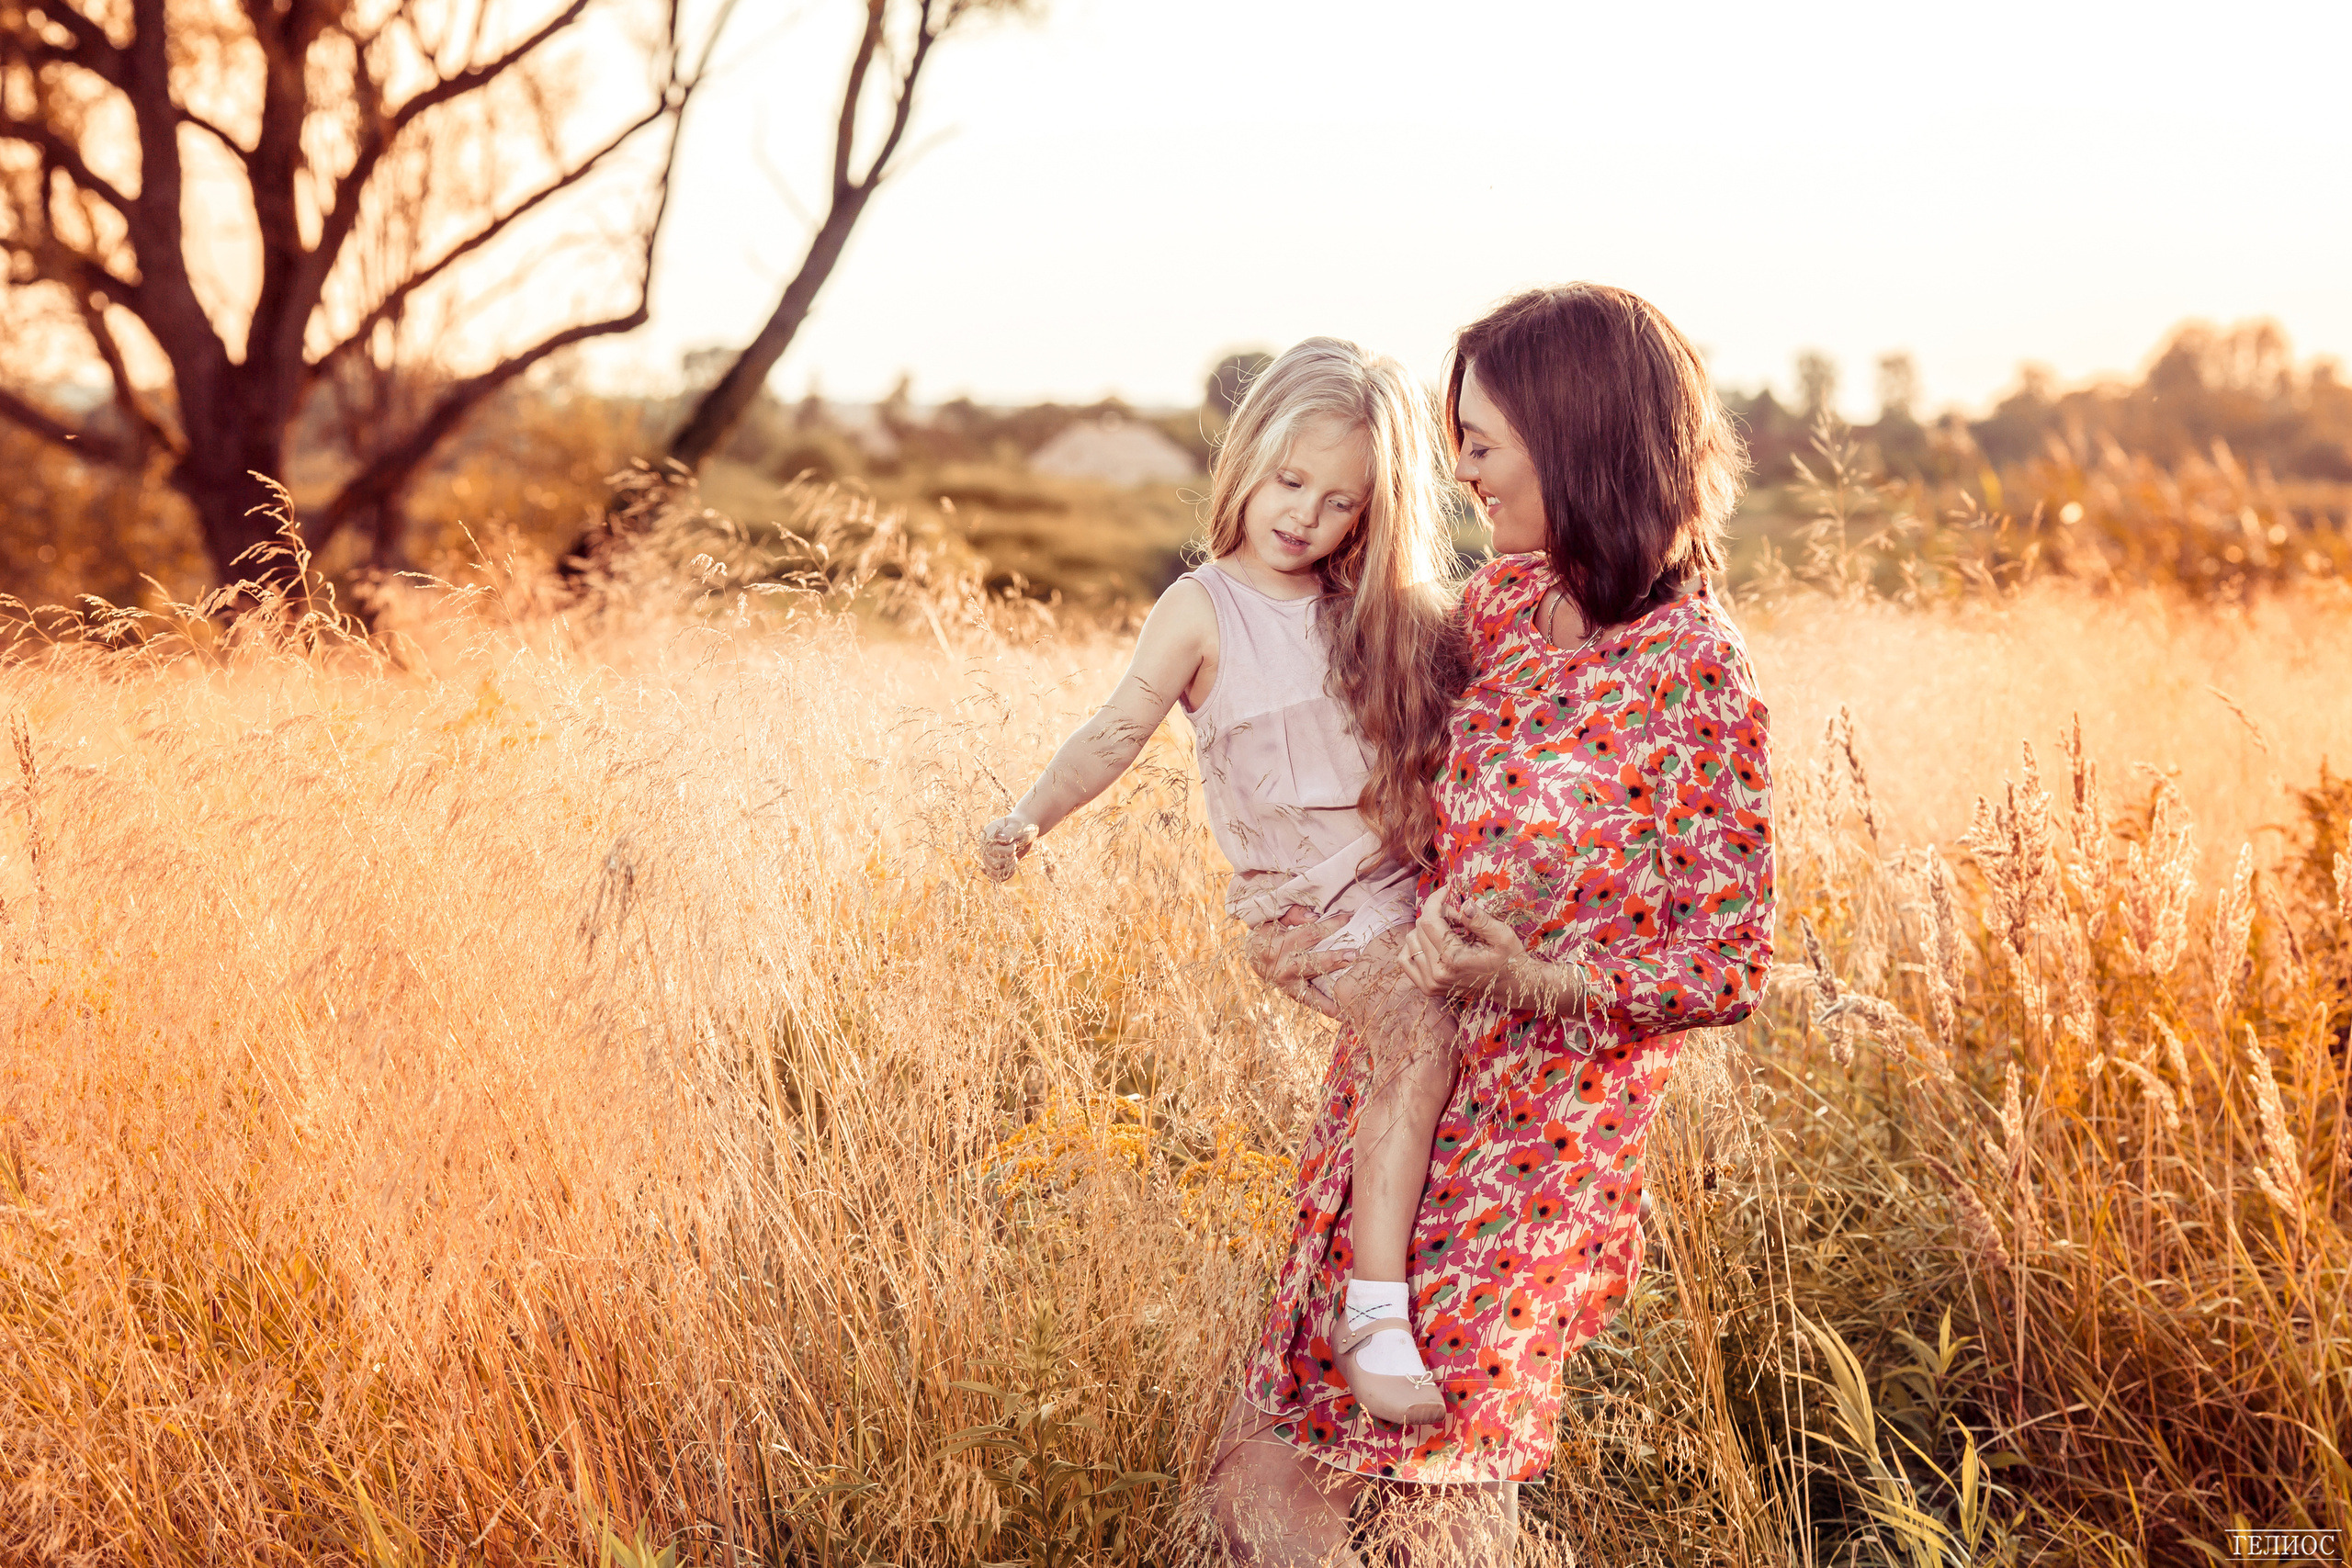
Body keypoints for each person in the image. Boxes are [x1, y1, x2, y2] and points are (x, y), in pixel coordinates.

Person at [1203, 283, 1776, 1565]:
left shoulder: (1695, 672)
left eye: (1480, 440)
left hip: (1535, 1146)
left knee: (1437, 1483)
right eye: (1455, 439)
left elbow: (1731, 958)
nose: (1459, 471)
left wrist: (1539, 978)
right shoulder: (1502, 610)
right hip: (1400, 1085)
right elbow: (1389, 790)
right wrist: (1300, 926)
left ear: (1574, 434)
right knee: (1276, 1463)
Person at [978, 337, 1470, 1424]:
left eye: (1340, 502)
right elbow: (1113, 732)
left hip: (1397, 887)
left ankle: (1399, 1274)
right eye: (1290, 481)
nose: (1305, 515)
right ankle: (1374, 1309)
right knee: (1417, 1035)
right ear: (1246, 459)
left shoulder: (1372, 610)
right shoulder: (1202, 607)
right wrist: (1028, 818)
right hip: (1307, 908)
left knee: (1465, 1032)